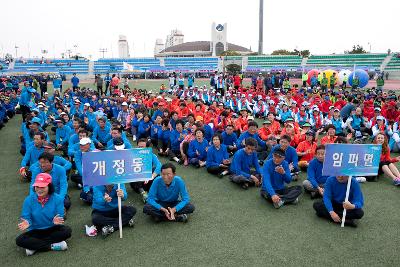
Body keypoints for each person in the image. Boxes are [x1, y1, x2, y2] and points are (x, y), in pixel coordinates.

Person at [16, 173, 72, 256]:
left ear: (49, 187)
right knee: (19, 240)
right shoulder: (28, 200)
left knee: (67, 231)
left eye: (42, 187)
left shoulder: (57, 199)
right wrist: (28, 222)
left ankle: (34, 247)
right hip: (35, 230)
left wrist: (57, 220)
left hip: (52, 228)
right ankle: (52, 246)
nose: (39, 189)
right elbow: (26, 216)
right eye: (37, 186)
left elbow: (60, 215)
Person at [130, 138, 162, 203]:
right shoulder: (132, 155)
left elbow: (159, 165)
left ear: (147, 148)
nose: (140, 149)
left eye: (142, 147)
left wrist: (152, 176)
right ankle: (143, 194)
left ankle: (153, 192)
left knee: (155, 172)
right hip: (137, 183)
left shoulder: (151, 155)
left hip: (148, 180)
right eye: (139, 147)